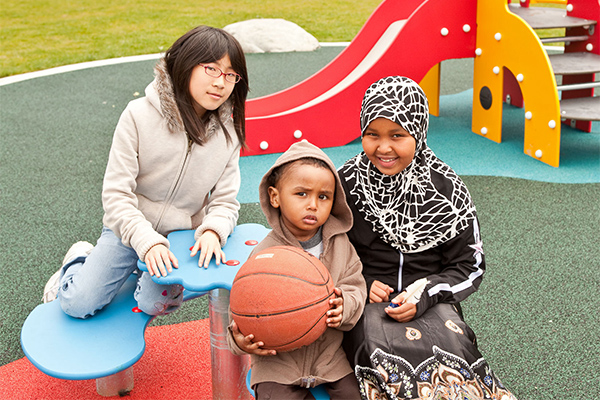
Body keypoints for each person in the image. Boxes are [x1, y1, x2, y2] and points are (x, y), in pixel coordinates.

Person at [42, 25, 249, 319]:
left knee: (156, 305)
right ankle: (78, 259)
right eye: (212, 69)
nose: (221, 82)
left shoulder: (228, 134)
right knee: (78, 303)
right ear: (186, 65)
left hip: (180, 235)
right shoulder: (138, 115)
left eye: (231, 74)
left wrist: (213, 231)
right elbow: (116, 195)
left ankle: (139, 275)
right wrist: (146, 243)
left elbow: (225, 201)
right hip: (129, 228)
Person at [338, 76, 517, 399]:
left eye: (397, 135)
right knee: (375, 349)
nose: (383, 147)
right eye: (372, 134)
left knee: (455, 347)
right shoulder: (345, 184)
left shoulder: (447, 189)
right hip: (365, 303)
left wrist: (427, 292)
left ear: (418, 134)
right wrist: (360, 281)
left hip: (432, 301)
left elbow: (469, 265)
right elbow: (322, 250)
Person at [227, 140, 367, 399]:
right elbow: (242, 306)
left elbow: (356, 284)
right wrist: (240, 341)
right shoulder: (265, 256)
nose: (313, 204)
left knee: (354, 395)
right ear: (275, 197)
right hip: (277, 363)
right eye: (302, 194)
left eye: (323, 196)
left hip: (330, 359)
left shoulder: (340, 244)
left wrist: (345, 305)